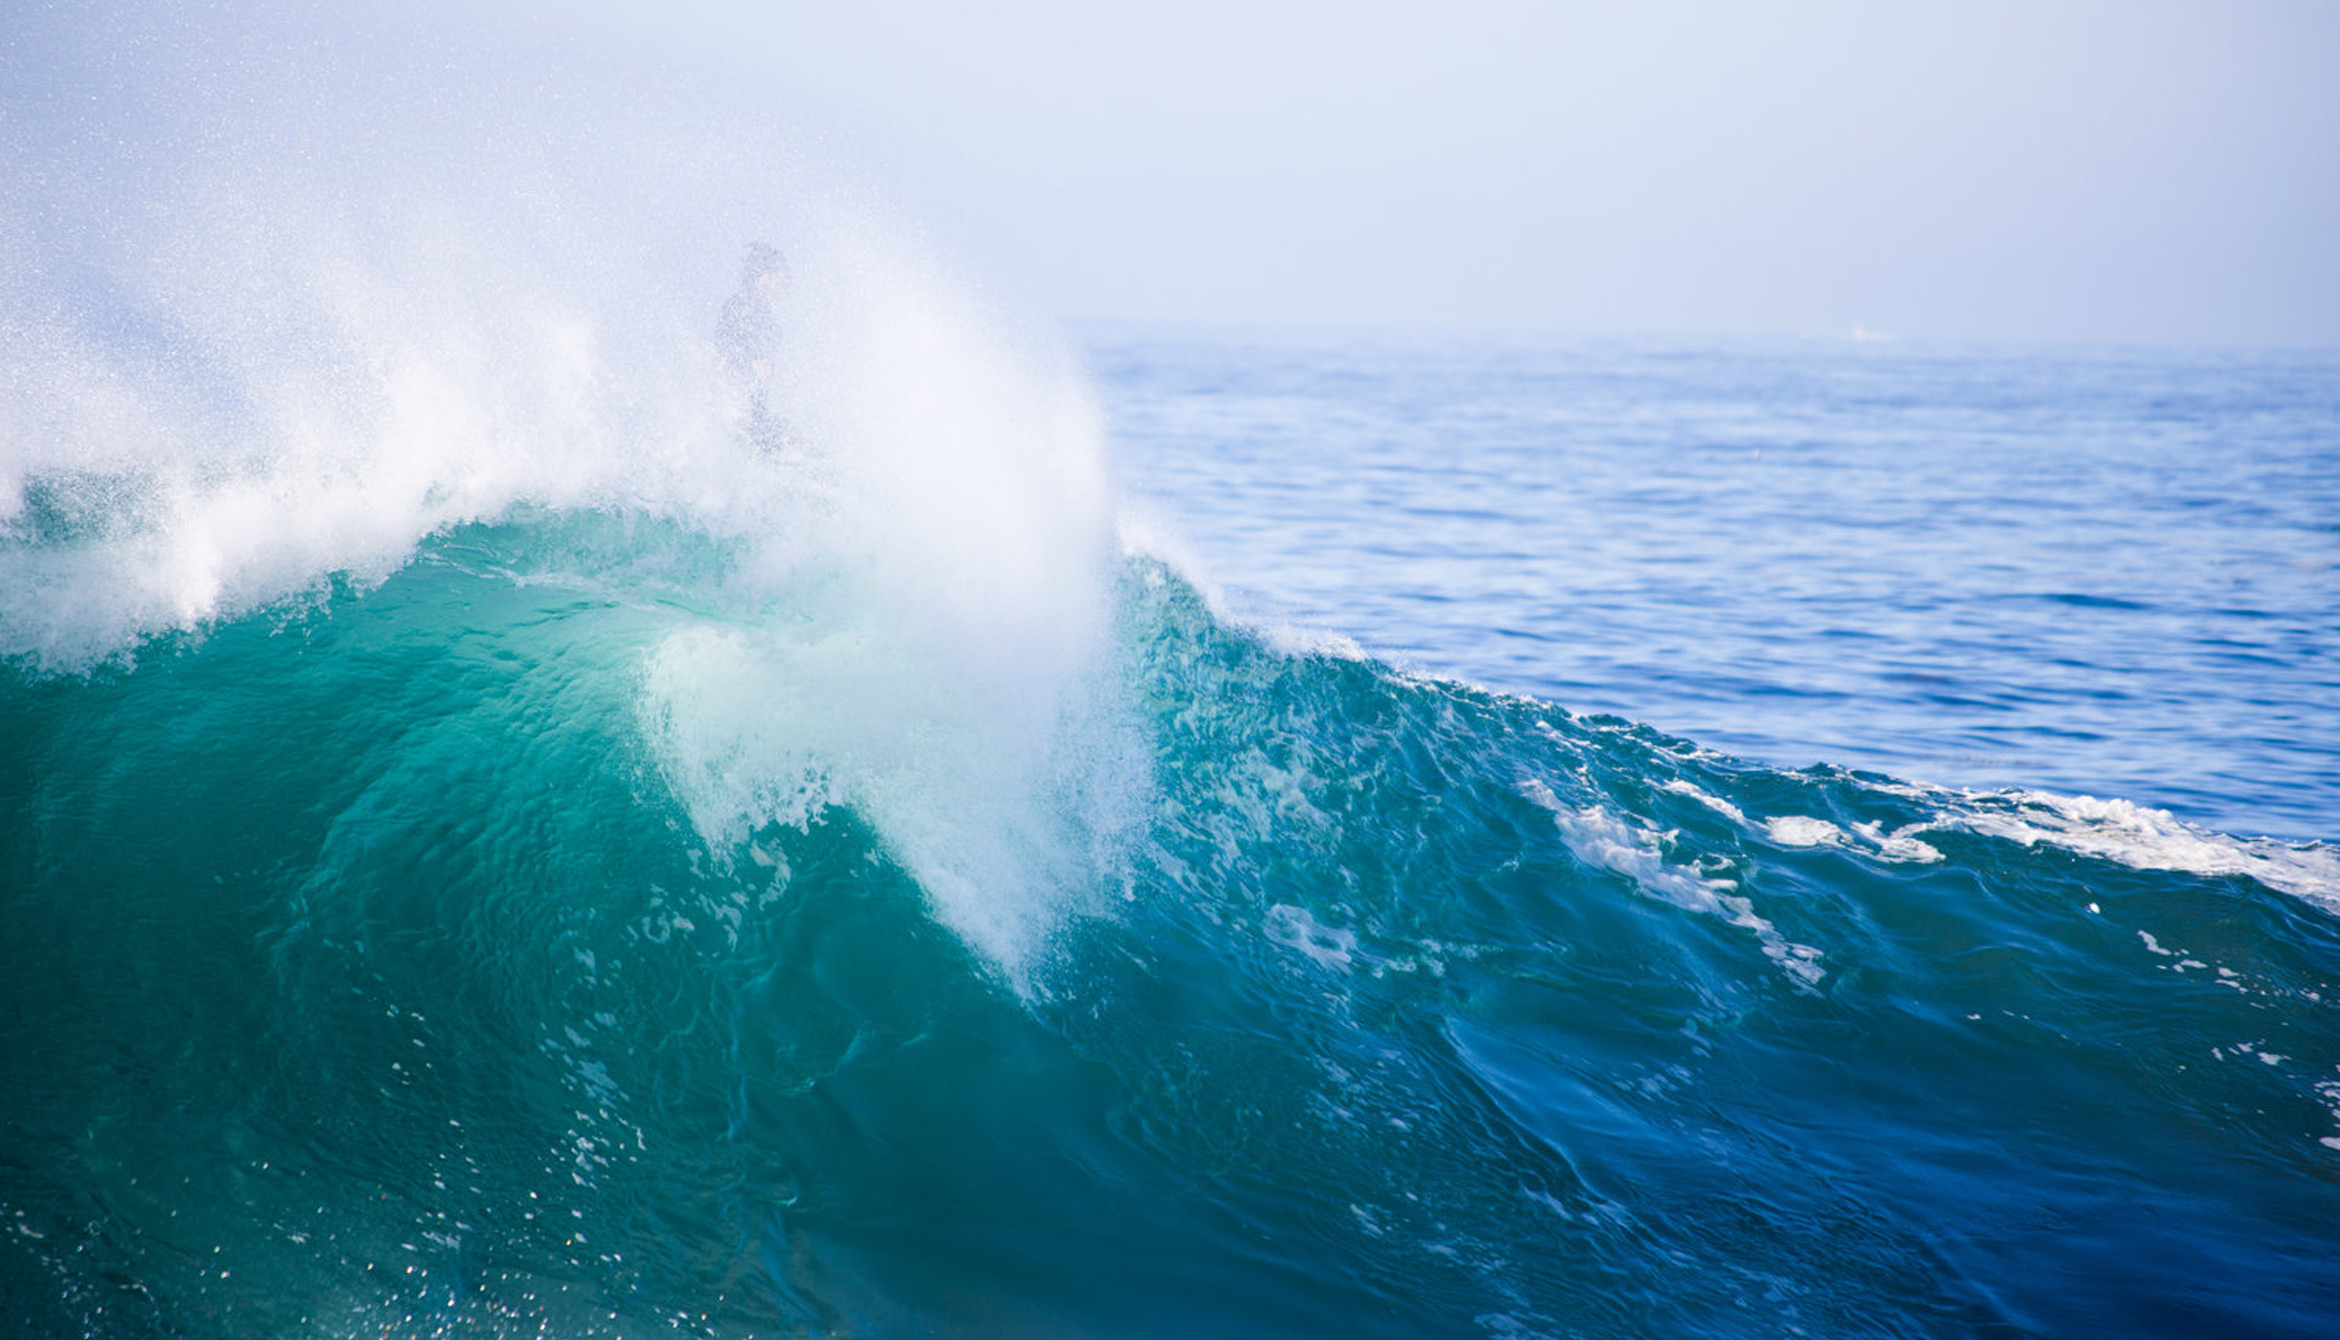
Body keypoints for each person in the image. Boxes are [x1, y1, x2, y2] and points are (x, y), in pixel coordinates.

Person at [717, 242, 789, 451]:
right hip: (740, 412)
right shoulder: (744, 304)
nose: (787, 282)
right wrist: (751, 361)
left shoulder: (760, 308)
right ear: (764, 277)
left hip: (753, 412)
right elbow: (724, 343)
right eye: (782, 276)